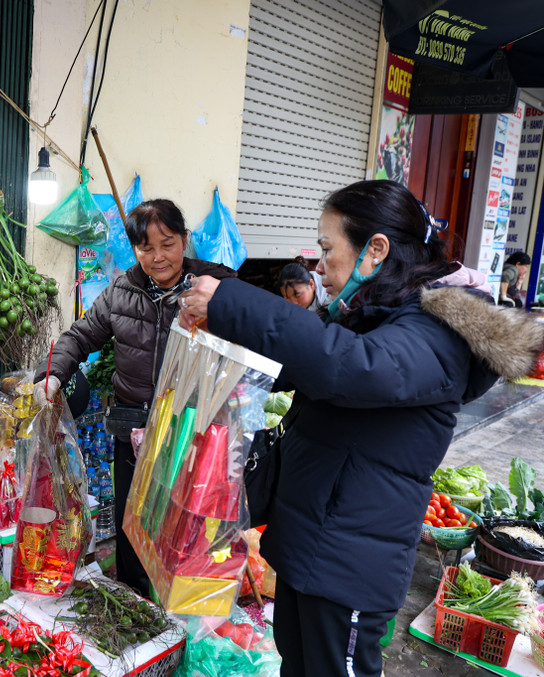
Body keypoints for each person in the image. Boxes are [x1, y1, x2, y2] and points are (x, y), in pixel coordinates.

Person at [177, 180, 544, 677]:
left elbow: (347, 367)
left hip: (350, 564)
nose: (319, 265)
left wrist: (231, 303)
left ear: (376, 250)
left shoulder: (433, 334)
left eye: (328, 249)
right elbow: (313, 367)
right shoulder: (373, 317)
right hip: (315, 544)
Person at [34, 198, 236, 596]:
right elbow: (78, 337)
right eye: (146, 248)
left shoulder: (216, 289)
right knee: (133, 519)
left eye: (168, 243)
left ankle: (180, 609)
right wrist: (53, 376)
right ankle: (133, 601)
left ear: (185, 240)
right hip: (132, 430)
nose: (158, 257)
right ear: (134, 249)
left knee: (183, 523)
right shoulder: (120, 292)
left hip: (188, 432)